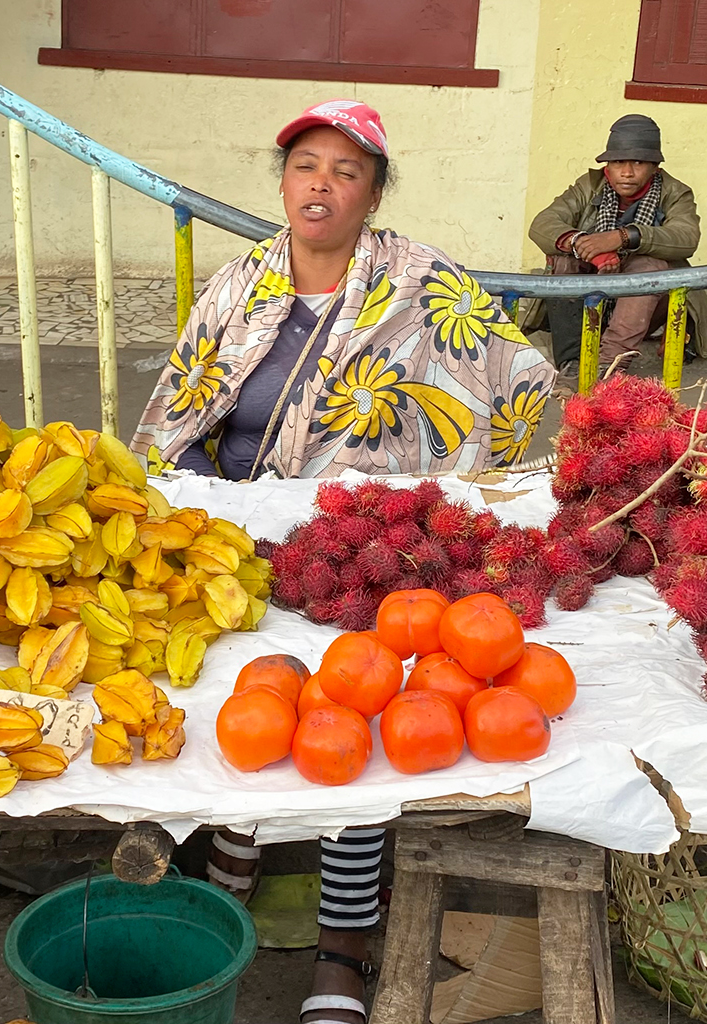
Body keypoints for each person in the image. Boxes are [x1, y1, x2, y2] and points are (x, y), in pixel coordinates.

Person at [133, 100, 553, 1024]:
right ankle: (226, 878)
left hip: (361, 549)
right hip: (238, 536)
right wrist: (208, 499)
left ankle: (345, 941)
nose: (320, 182)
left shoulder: (419, 283)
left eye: (345, 170)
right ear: (283, 183)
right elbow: (184, 408)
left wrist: (437, 469)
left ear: (372, 195)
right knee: (243, 699)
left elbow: (515, 377)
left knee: (357, 723)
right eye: (305, 165)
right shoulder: (240, 282)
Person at [528, 113, 707, 390]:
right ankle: (572, 360)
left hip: (649, 302)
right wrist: (583, 245)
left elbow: (686, 237)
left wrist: (623, 237)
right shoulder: (589, 186)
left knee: (650, 266)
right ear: (607, 167)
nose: (627, 172)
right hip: (597, 295)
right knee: (563, 260)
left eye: (638, 162)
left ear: (655, 167)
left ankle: (609, 364)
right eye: (617, 162)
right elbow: (542, 225)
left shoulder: (676, 192)